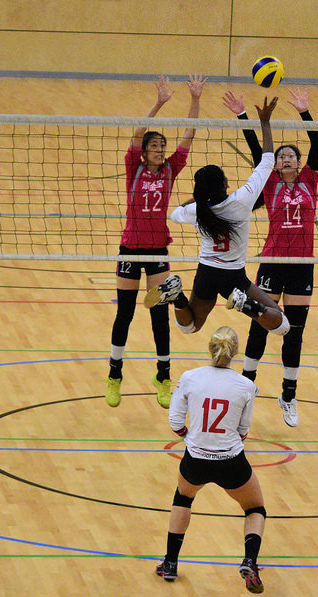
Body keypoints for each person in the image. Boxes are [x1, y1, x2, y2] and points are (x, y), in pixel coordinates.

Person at [143, 97, 290, 342]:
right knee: (281, 324)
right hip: (234, 276)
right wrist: (264, 121)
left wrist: (198, 201)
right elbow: (267, 160)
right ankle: (246, 305)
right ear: (224, 185)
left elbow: (175, 213)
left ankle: (177, 296)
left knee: (189, 328)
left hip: (206, 274)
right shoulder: (242, 201)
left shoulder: (197, 211)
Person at [222, 87, 318, 428]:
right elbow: (257, 150)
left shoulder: (310, 178)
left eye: (291, 155)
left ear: (299, 162)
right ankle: (247, 390)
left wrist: (305, 112)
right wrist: (242, 116)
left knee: (294, 331)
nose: (287, 158)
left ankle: (289, 396)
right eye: (281, 156)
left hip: (302, 266)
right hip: (272, 261)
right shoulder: (269, 184)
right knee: (262, 325)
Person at [106, 74, 206, 410]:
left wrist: (195, 98)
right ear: (144, 152)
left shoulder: (170, 170)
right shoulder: (132, 167)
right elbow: (137, 131)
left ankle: (163, 376)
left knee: (158, 312)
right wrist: (161, 101)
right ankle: (114, 375)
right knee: (126, 313)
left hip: (157, 251)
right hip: (130, 248)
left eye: (162, 147)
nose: (160, 151)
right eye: (154, 147)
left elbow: (189, 135)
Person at [155, 326, 266, 593]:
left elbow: (175, 421)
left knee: (183, 498)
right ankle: (250, 560)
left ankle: (170, 563)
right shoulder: (247, 386)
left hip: (195, 459)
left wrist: (192, 439)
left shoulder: (190, 377)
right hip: (231, 462)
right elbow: (243, 430)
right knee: (255, 509)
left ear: (210, 348)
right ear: (235, 352)